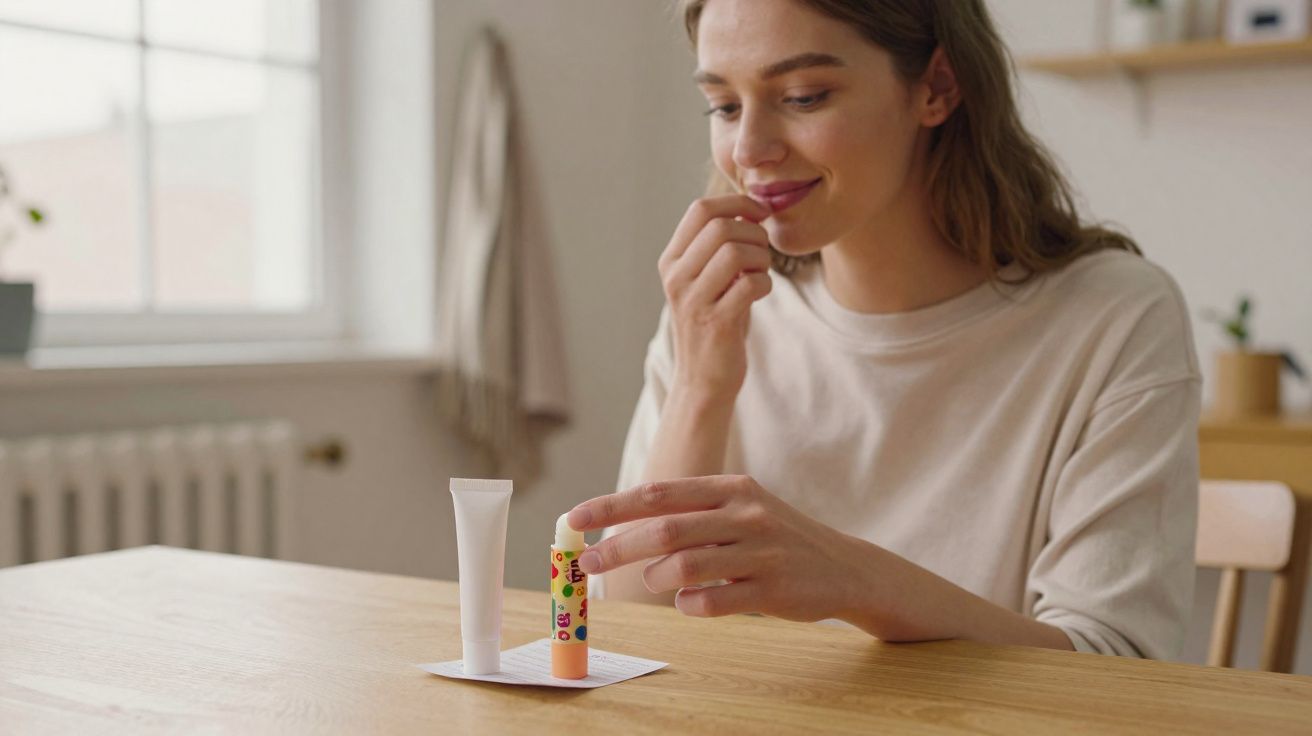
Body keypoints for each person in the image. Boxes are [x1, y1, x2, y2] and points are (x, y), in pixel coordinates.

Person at [565, 0, 1200, 659]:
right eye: (724, 106)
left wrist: (857, 582)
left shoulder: (1114, 318)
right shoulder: (719, 308)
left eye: (804, 97)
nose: (748, 150)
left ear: (937, 87)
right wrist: (700, 386)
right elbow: (621, 633)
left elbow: (1115, 667)